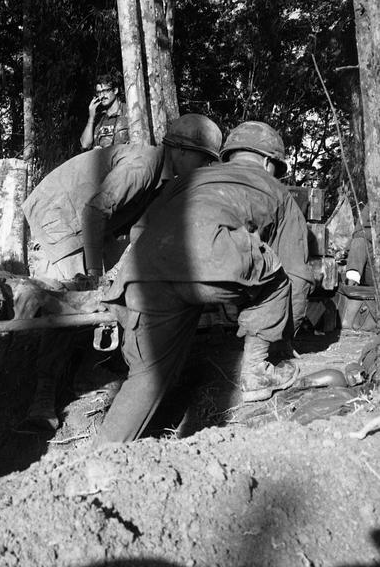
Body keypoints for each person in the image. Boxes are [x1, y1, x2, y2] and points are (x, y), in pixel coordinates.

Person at [94, 121, 310, 445]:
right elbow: (298, 274)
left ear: (230, 155)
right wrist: (282, 337)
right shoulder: (277, 191)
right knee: (278, 278)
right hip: (215, 258)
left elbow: (141, 229)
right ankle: (256, 372)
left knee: (147, 377)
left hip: (147, 267)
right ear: (269, 163)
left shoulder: (190, 179)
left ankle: (98, 458)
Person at [19, 114, 223, 431]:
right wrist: (93, 272)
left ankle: (91, 369)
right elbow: (95, 210)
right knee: (75, 302)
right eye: (204, 159)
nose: (206, 168)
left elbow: (143, 233)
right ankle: (42, 397)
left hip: (87, 221)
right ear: (181, 151)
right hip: (60, 214)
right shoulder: (142, 166)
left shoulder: (165, 181)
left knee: (115, 288)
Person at [79, 72, 130, 151]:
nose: (102, 96)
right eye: (99, 93)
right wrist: (91, 117)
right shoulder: (98, 118)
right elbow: (85, 144)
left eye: (105, 91)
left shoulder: (129, 112)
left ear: (115, 90)